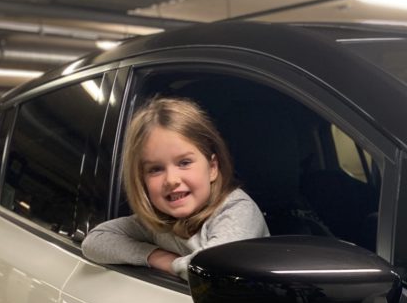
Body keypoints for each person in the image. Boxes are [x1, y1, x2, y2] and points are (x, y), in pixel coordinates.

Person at [83, 96, 268, 278]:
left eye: (184, 162)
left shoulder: (238, 210)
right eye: (155, 169)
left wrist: (174, 265)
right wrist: (157, 256)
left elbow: (211, 271)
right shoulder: (158, 223)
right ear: (142, 180)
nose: (171, 180)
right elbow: (94, 241)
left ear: (212, 168)